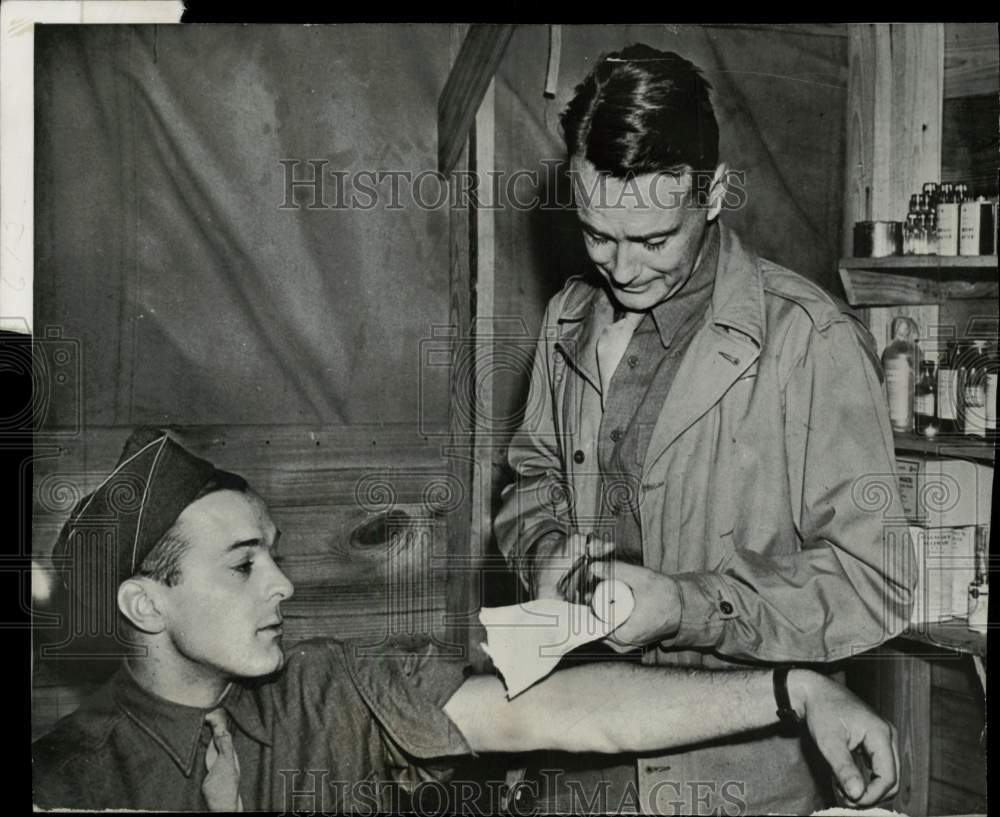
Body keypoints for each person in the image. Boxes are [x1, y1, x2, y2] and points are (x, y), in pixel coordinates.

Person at [32, 428, 900, 812]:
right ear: (146, 601)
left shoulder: (333, 685)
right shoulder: (67, 778)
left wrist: (799, 689)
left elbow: (563, 709)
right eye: (244, 564)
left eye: (277, 553)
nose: (285, 585)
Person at [493, 43, 916, 814]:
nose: (620, 268)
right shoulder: (569, 319)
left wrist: (689, 606)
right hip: (569, 755)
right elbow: (529, 480)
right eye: (596, 233)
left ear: (714, 192)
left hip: (731, 785)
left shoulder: (808, 341)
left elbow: (874, 582)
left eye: (653, 239)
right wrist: (547, 547)